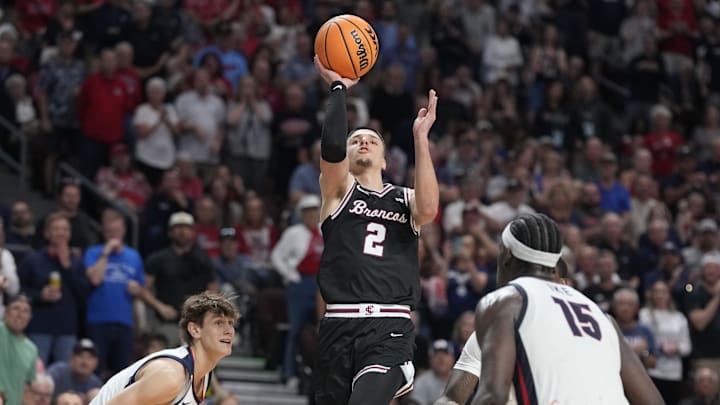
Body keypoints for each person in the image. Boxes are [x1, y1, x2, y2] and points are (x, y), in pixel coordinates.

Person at [312, 56, 440, 405]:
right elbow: (332, 147)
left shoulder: (405, 198)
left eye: (372, 140)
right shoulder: (338, 191)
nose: (363, 142)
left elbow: (430, 209)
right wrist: (338, 89)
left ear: (385, 160)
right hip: (337, 327)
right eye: (356, 140)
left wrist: (420, 138)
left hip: (389, 327)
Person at [470, 213, 663, 405]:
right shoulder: (601, 315)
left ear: (506, 255)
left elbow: (492, 396)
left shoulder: (505, 301)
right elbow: (653, 401)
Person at [434, 259, 572, 405]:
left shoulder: (578, 334)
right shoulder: (494, 330)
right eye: (532, 279)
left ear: (562, 284)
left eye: (544, 280)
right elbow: (453, 397)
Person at [90, 291, 239, 404]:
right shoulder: (171, 375)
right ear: (195, 330)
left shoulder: (203, 375)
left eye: (231, 323)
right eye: (219, 323)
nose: (229, 331)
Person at [0, 295, 37, 405]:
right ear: (6, 312)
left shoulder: (32, 348)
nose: (20, 314)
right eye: (16, 308)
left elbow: (27, 386)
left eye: (26, 311)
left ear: (30, 317)